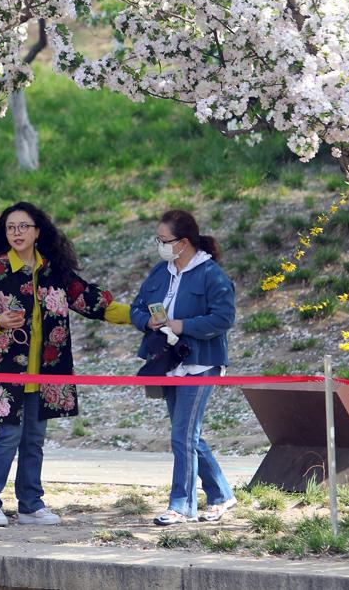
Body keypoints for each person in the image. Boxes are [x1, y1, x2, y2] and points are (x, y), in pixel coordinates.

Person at [0, 201, 132, 527]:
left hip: (46, 372)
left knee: (34, 439)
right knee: (8, 437)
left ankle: (30, 505)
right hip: (5, 372)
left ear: (38, 231)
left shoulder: (54, 271)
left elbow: (92, 301)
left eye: (23, 226)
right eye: (10, 227)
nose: (16, 232)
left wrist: (138, 316)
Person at [130, 209, 237, 525]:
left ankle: (181, 505)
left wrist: (182, 325)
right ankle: (221, 495)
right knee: (188, 435)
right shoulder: (159, 272)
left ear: (184, 242)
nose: (160, 245)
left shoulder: (211, 274)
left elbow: (223, 318)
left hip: (201, 364)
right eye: (158, 239)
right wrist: (146, 320)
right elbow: (137, 307)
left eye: (164, 240)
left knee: (182, 436)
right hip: (168, 363)